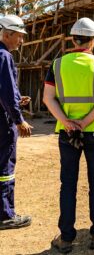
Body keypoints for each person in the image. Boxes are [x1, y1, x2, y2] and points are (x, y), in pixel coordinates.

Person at [43, 17, 94, 253]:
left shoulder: (57, 65)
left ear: (73, 40)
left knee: (68, 185)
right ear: (93, 41)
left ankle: (66, 239)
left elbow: (48, 98)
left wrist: (66, 122)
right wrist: (84, 122)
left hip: (67, 134)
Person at [0, 15, 33, 230]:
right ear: (7, 34)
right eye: (19, 36)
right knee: (5, 168)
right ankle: (5, 215)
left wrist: (15, 100)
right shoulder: (4, 56)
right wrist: (19, 119)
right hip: (2, 124)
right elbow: (6, 91)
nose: (21, 41)